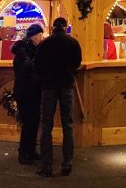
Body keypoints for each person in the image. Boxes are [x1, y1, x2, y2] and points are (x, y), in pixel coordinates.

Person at [34, 17, 82, 178]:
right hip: (66, 85)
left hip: (48, 86)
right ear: (66, 26)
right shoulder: (73, 42)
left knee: (46, 124)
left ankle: (46, 165)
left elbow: (37, 64)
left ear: (52, 27)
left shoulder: (45, 43)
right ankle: (67, 162)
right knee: (67, 124)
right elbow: (77, 62)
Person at [12, 23, 44, 164]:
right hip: (25, 90)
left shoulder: (31, 48)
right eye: (39, 36)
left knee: (33, 121)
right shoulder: (23, 49)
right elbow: (25, 67)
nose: (40, 38)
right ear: (33, 37)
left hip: (32, 90)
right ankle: (23, 152)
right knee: (28, 122)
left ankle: (30, 150)